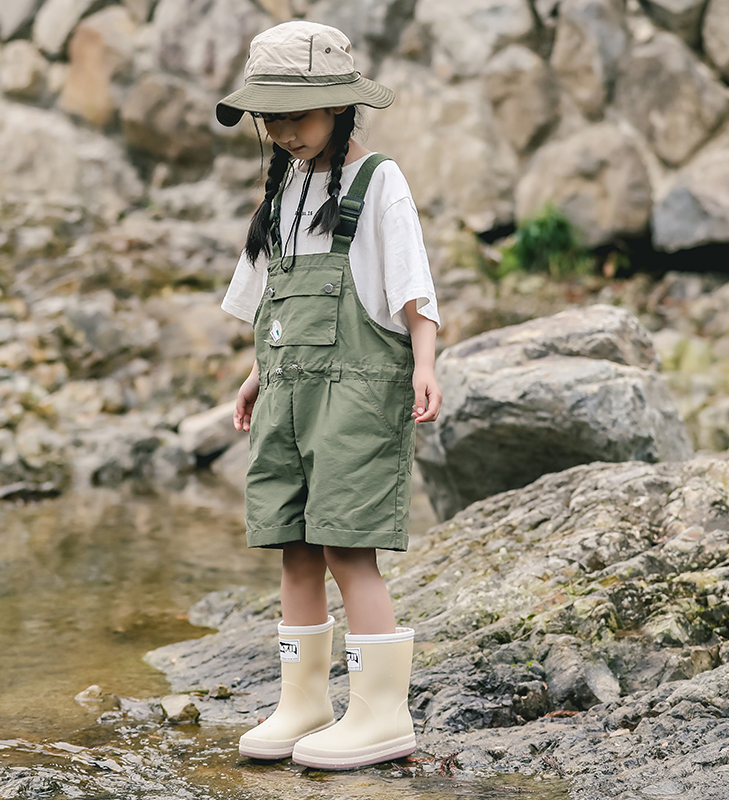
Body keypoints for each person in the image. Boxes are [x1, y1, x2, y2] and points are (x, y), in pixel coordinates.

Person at [215, 20, 442, 770]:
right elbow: (273, 303)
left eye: (297, 115)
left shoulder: (379, 181)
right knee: (294, 547)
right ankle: (303, 701)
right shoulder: (281, 190)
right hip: (286, 390)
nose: (283, 131)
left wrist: (425, 362)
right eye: (270, 118)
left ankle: (381, 713)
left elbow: (412, 287)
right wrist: (255, 376)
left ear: (342, 107)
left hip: (357, 389)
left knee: (348, 544)